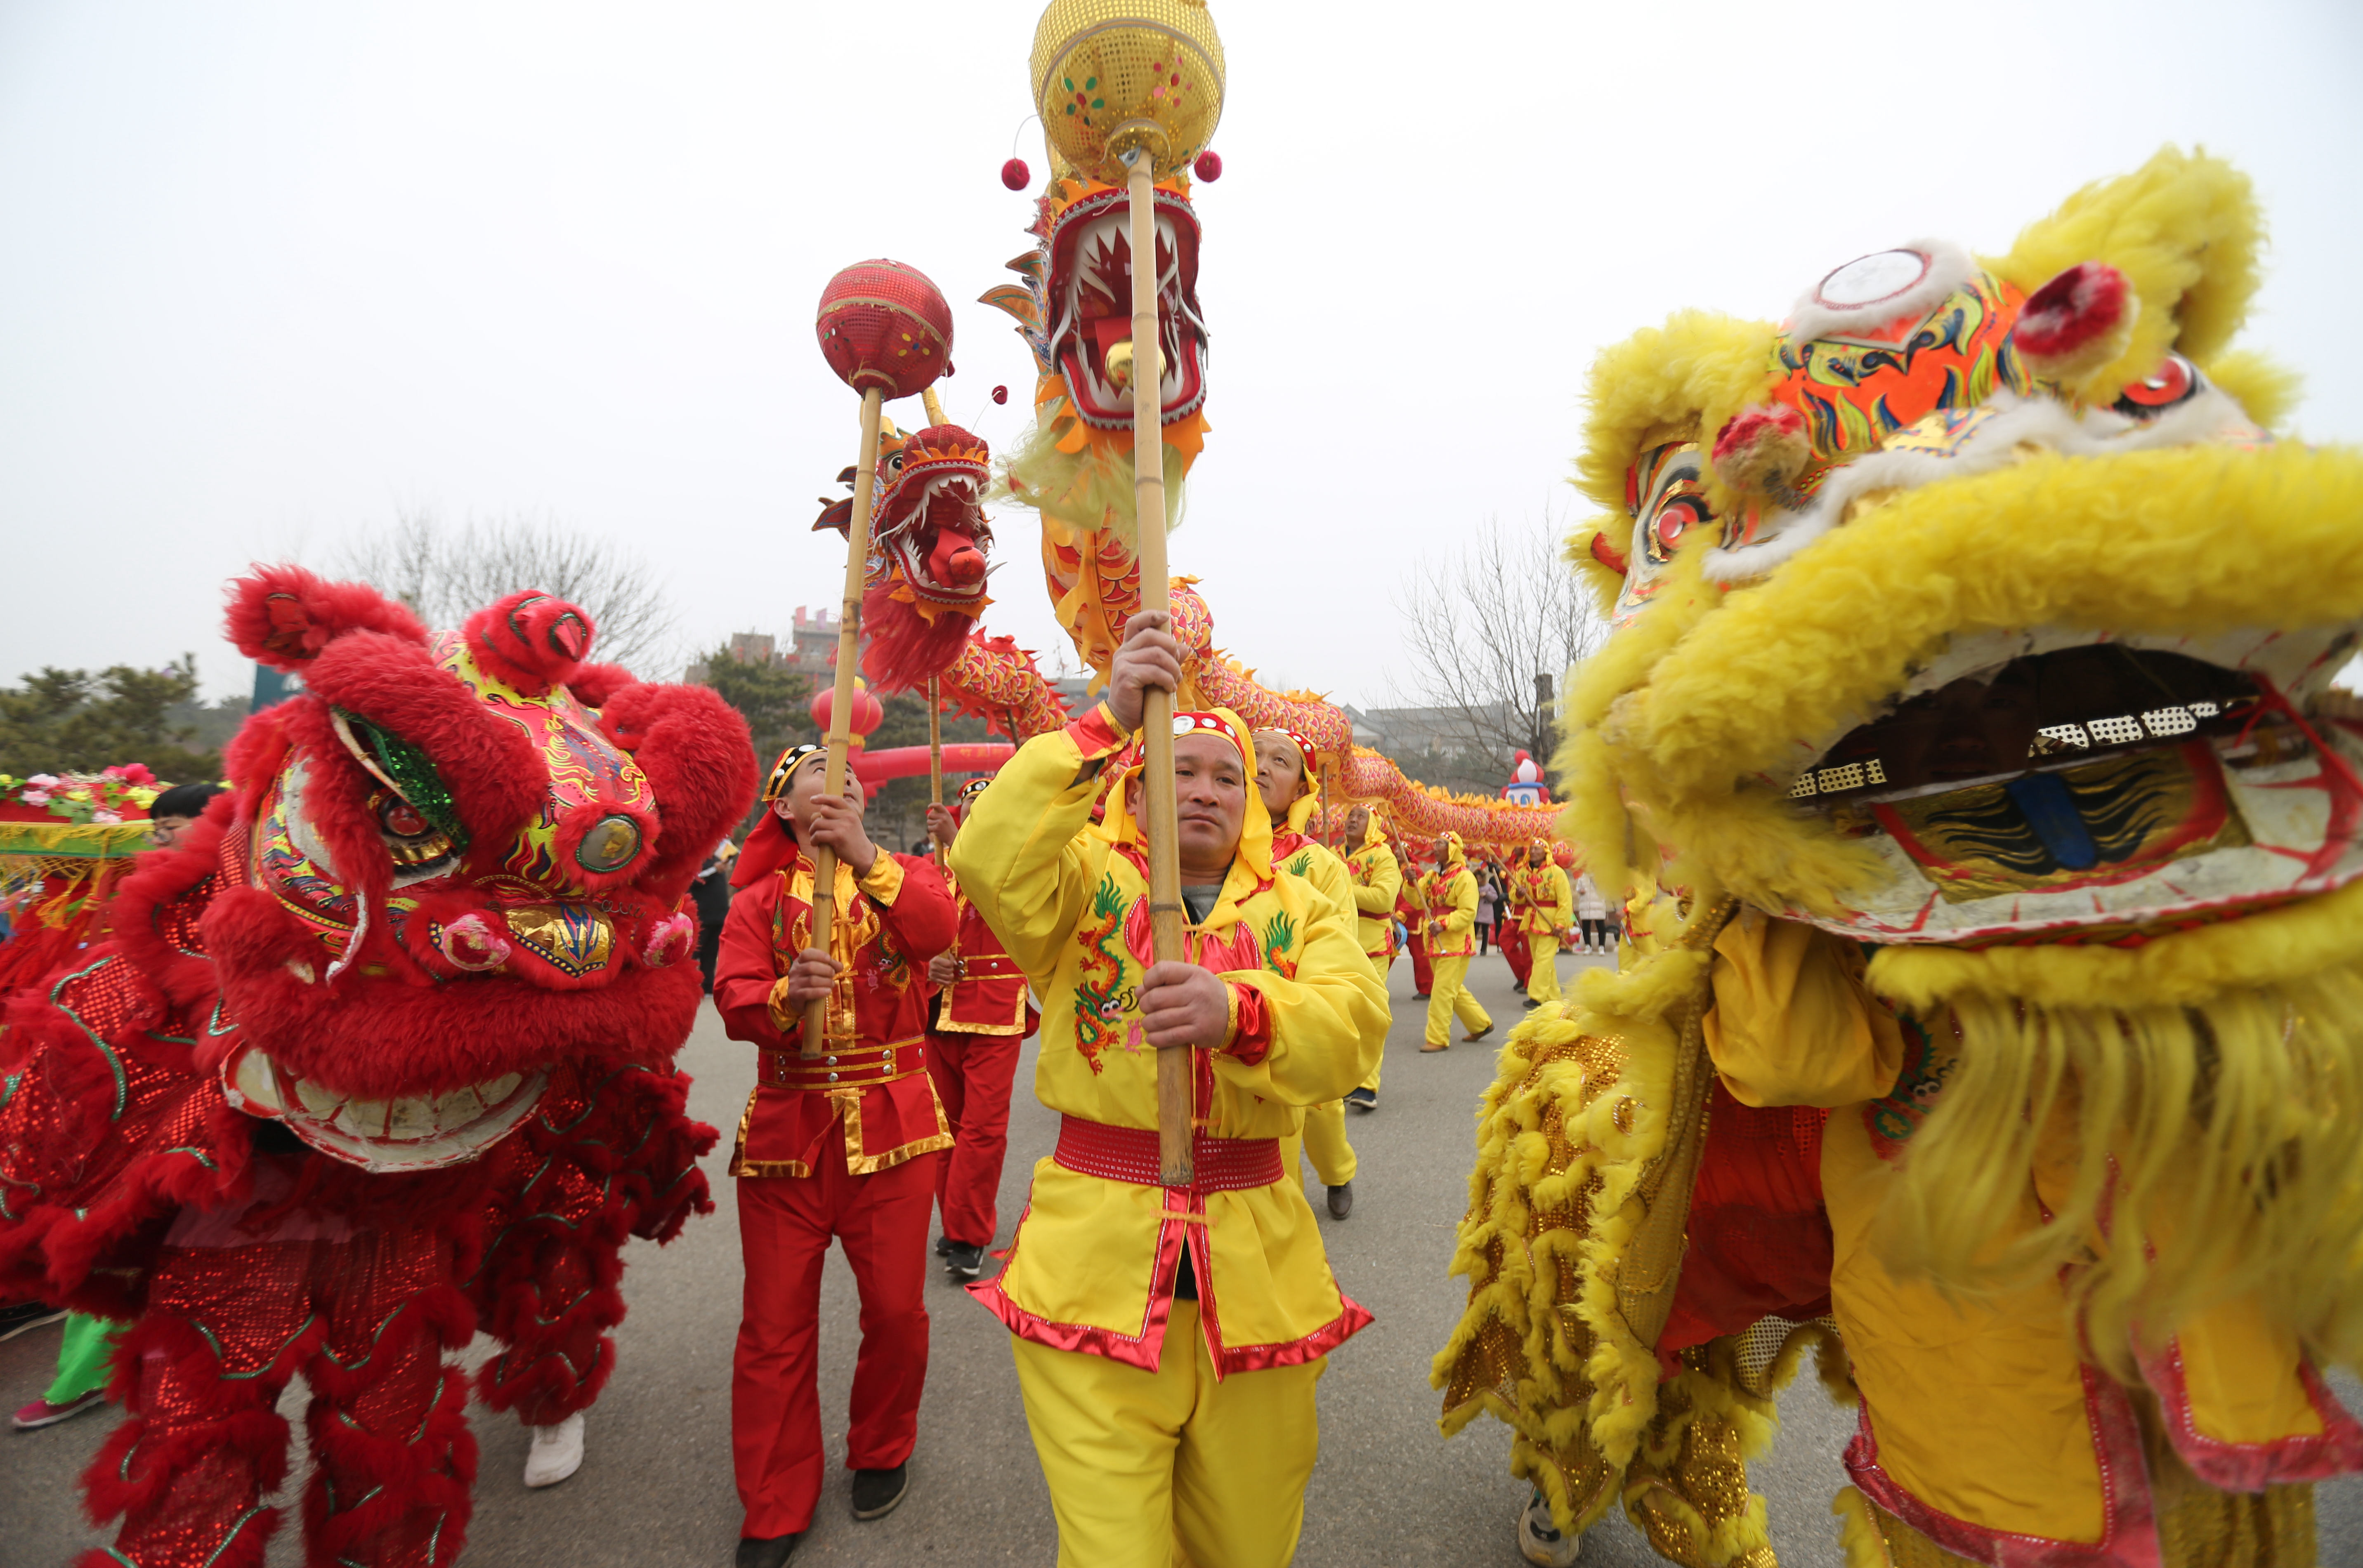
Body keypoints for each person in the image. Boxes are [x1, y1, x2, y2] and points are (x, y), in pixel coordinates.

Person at [948, 610, 1385, 1568]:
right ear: (1134, 788)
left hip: (1259, 1267)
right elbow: (985, 857)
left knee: (1248, 1544)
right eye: (1178, 770)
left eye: (1228, 778)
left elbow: (1353, 1032)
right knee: (1114, 1555)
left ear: (1257, 804)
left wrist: (1242, 1015)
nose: (1204, 791)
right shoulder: (1080, 884)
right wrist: (1101, 719)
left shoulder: (1304, 901)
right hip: (1092, 1269)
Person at [713, 745, 958, 1568]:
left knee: (895, 1311)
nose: (842, 775)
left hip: (895, 1132)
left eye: (851, 771)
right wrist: (786, 997)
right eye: (818, 768)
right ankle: (775, 1498)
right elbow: (732, 997)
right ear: (782, 807)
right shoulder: (753, 902)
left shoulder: (903, 877)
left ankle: (882, 1445)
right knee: (774, 1325)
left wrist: (865, 856)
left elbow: (938, 929)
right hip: (789, 1134)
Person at [1252, 726, 1378, 1221]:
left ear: (1303, 790)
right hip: (1225, 1021)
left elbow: (1338, 949)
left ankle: (1338, 1171)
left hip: (1293, 1017)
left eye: (1279, 762)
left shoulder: (1320, 865)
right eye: (1253, 754)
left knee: (1323, 1113)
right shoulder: (1201, 848)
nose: (1261, 766)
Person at [921, 778, 1037, 1280]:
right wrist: (927, 961)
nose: (974, 813)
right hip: (935, 1012)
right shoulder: (926, 871)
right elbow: (897, 931)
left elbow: (1002, 901)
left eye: (984, 809)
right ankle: (955, 1220)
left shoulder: (1019, 864)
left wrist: (959, 842)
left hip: (994, 1012)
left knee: (983, 1129)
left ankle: (969, 1233)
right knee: (942, 1127)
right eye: (968, 806)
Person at [1340, 804, 1400, 1113]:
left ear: (1374, 824)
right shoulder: (1330, 853)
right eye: (1350, 814)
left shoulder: (1383, 856)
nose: (1352, 819)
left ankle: (1366, 1084)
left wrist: (1339, 886)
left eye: (1360, 816)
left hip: (1371, 945)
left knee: (1370, 1013)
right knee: (1338, 1014)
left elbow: (1383, 899)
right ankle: (1339, 1078)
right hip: (1333, 944)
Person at [1417, 831, 1492, 1052]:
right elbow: (1416, 900)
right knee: (1451, 987)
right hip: (1434, 938)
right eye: (1436, 843)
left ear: (1452, 849)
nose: (1435, 847)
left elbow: (1469, 912)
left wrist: (1445, 924)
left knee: (1441, 990)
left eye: (1440, 844)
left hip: (1456, 940)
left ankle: (1438, 1038)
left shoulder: (1465, 877)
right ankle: (1481, 1024)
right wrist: (1411, 883)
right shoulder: (1431, 876)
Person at [1512, 840, 1572, 1009]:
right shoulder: (1522, 872)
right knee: (1542, 960)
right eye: (1532, 849)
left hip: (1550, 920)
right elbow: (1515, 898)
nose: (1534, 851)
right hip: (1531, 918)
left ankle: (1536, 997)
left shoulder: (1557, 873)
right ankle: (1554, 997)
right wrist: (1519, 893)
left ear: (1546, 852)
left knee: (1543, 960)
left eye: (1537, 849)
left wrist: (1560, 924)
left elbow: (1565, 902)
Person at [1573, 868, 1609, 956]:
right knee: (1586, 926)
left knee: (1600, 925)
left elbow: (1606, 889)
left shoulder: (1601, 877)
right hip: (1586, 904)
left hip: (1598, 903)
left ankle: (1602, 947)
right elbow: (1578, 888)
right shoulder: (1582, 877)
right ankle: (1588, 946)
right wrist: (1581, 891)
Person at [1475, 870, 1499, 957]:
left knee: (1485, 932)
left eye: (1480, 878)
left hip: (1486, 911)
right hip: (1477, 912)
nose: (1479, 880)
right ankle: (1471, 948)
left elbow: (1495, 897)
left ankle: (1484, 950)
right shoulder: (1475, 886)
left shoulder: (1489, 887)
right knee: (1474, 931)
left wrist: (1486, 894)